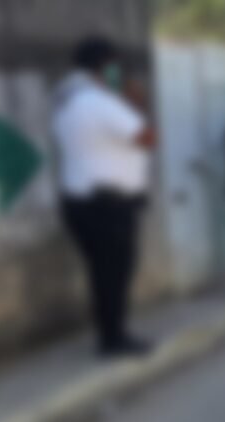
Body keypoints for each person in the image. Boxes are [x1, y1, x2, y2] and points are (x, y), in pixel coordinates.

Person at [53, 36, 156, 358]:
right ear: (105, 65)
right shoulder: (100, 102)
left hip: (82, 201)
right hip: (107, 205)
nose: (119, 71)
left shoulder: (66, 98)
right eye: (115, 65)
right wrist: (136, 102)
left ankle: (110, 334)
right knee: (114, 273)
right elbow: (147, 138)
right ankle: (113, 339)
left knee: (103, 273)